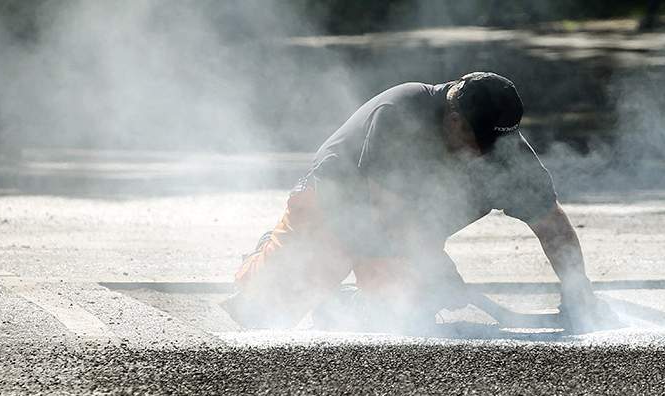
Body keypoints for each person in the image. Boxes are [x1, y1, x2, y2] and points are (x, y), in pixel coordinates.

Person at [223, 72, 615, 332]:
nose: (487, 154)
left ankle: (349, 306)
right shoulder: (402, 112)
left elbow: (552, 226)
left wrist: (579, 292)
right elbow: (379, 217)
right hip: (335, 207)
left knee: (398, 319)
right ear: (454, 118)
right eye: (480, 141)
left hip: (397, 229)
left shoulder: (502, 149)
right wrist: (435, 268)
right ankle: (262, 261)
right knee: (263, 313)